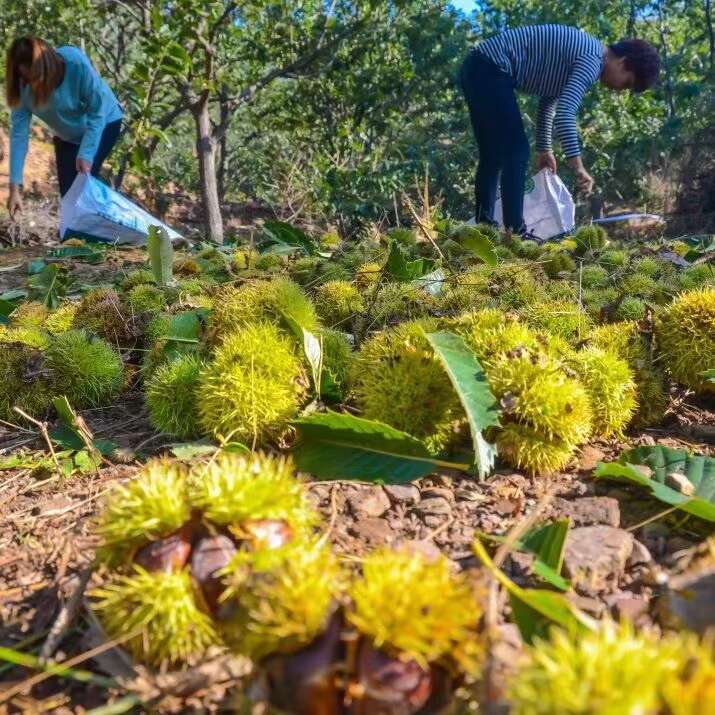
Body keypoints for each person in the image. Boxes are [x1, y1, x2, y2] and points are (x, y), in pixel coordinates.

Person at [459, 25, 660, 234]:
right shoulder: (593, 60)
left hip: (476, 67)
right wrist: (578, 166)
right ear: (624, 62)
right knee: (517, 151)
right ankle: (514, 232)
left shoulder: (587, 53)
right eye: (626, 83)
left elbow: (549, 101)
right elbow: (565, 113)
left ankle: (484, 227)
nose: (620, 89)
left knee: (493, 154)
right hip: (492, 69)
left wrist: (544, 148)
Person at [5, 36, 123, 217]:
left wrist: (86, 154)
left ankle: (113, 230)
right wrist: (14, 188)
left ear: (47, 67)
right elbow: (19, 137)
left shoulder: (75, 63)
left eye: (35, 77)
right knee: (69, 197)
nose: (31, 85)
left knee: (81, 188)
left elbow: (97, 112)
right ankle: (75, 241)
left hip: (105, 122)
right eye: (24, 78)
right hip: (67, 136)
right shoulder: (22, 87)